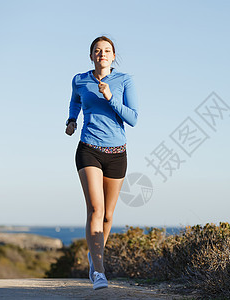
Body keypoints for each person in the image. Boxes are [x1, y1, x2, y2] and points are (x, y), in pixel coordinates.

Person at [65, 36, 138, 290]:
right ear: (91, 56)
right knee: (95, 210)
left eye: (107, 50)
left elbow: (134, 118)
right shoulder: (80, 80)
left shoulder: (124, 80)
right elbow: (75, 100)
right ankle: (99, 271)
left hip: (117, 153)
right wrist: (71, 120)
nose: (102, 54)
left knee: (108, 215)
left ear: (113, 56)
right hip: (89, 149)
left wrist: (110, 98)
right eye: (97, 50)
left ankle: (94, 256)